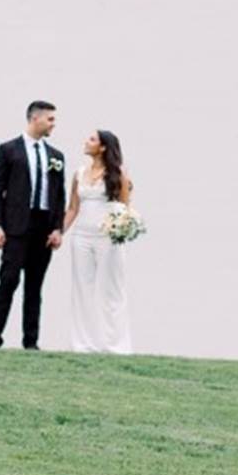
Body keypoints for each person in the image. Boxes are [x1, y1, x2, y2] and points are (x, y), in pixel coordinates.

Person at [0, 100, 66, 350]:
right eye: (50, 119)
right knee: (9, 280)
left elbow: (59, 194)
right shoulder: (8, 150)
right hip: (16, 226)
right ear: (35, 119)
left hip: (43, 227)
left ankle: (31, 342)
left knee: (35, 286)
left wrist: (58, 228)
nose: (54, 124)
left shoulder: (56, 156)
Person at [63, 129, 133, 354]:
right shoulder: (79, 173)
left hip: (108, 238)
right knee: (82, 289)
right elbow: (73, 207)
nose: (86, 141)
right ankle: (83, 344)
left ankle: (115, 345)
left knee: (112, 290)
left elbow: (124, 207)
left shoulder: (118, 173)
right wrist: (60, 232)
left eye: (92, 139)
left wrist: (120, 231)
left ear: (103, 147)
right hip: (81, 237)